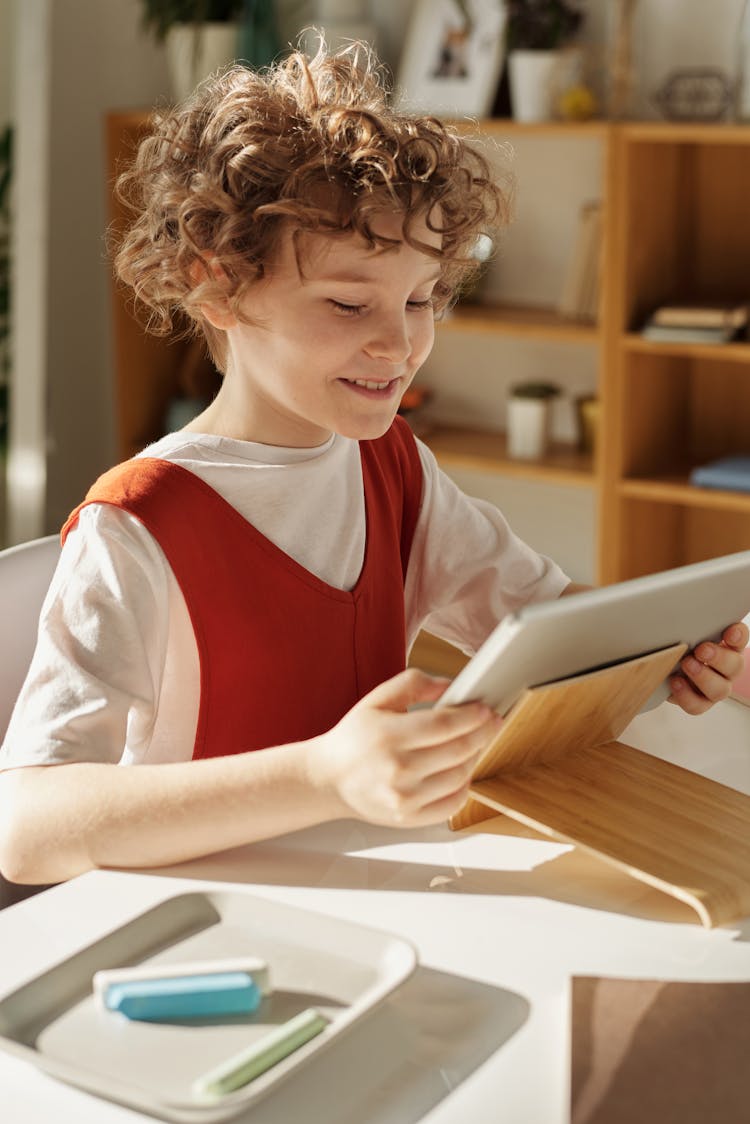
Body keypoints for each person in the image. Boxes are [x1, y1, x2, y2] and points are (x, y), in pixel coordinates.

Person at [0, 44, 746, 887]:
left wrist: (679, 646)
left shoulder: (393, 468)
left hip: (375, 894)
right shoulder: (137, 524)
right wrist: (322, 775)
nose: (400, 344)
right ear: (216, 289)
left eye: (422, 298)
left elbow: (551, 624)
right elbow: (29, 828)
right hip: (207, 926)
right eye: (350, 304)